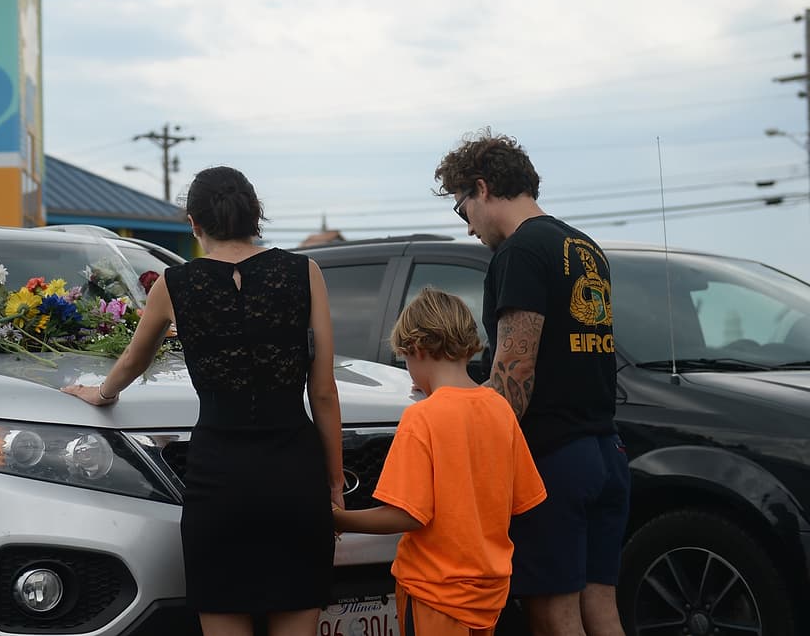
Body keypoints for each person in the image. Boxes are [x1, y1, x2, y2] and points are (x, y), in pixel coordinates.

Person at [64, 165, 344, 636]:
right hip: (294, 476)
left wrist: (101, 393)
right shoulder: (305, 272)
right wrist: (333, 481)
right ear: (256, 215)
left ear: (194, 223)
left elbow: (133, 362)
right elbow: (323, 391)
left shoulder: (174, 285)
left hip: (219, 478)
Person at [434, 130, 629, 636]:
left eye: (462, 209)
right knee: (601, 610)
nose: (468, 227)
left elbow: (514, 377)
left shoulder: (520, 253)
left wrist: (471, 450)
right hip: (606, 452)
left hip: (552, 462)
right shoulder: (583, 246)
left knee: (553, 615)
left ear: (481, 188)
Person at [334, 287, 545, 636]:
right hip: (489, 596)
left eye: (406, 360)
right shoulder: (500, 410)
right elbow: (521, 500)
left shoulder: (423, 418)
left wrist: (338, 518)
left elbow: (406, 514)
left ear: (416, 349)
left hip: (434, 594)